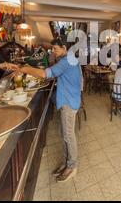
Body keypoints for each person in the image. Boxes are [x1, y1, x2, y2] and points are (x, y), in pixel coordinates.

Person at [19, 38, 82, 182]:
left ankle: (72, 166)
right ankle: (67, 162)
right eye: (52, 49)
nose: (53, 51)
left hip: (69, 101)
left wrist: (25, 68)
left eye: (55, 49)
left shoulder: (66, 61)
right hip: (69, 98)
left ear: (64, 47)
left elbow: (45, 74)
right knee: (65, 133)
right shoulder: (68, 59)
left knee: (68, 135)